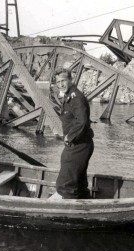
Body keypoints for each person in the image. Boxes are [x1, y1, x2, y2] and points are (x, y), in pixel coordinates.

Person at [54, 68, 94, 199]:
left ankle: (67, 214)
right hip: (81, 143)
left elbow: (82, 122)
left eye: (64, 80)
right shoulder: (69, 96)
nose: (61, 84)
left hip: (78, 144)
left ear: (71, 80)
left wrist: (69, 137)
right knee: (78, 182)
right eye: (58, 82)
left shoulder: (76, 98)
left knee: (65, 185)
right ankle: (85, 206)